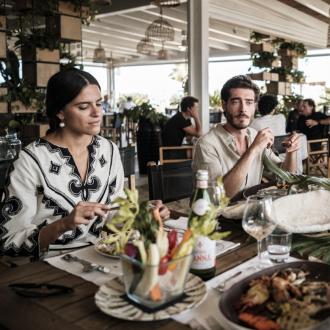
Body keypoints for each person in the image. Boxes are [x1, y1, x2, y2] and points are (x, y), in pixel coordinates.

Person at [0, 69, 169, 259]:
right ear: (60, 112)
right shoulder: (30, 161)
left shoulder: (109, 150)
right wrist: (64, 224)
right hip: (46, 268)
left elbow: (113, 213)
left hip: (98, 257)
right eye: (83, 107)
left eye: (99, 103)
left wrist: (145, 214)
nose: (97, 113)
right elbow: (9, 241)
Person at [193, 75, 300, 198]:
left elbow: (284, 178)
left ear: (254, 106)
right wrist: (253, 150)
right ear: (224, 105)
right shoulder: (206, 144)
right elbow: (219, 197)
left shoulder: (254, 134)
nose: (243, 109)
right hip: (220, 215)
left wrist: (291, 153)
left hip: (251, 209)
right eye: (236, 102)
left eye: (249, 102)